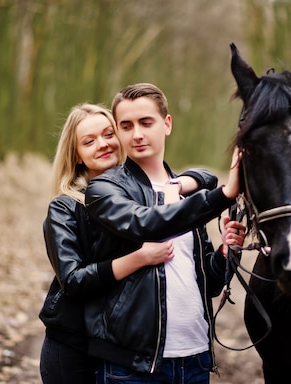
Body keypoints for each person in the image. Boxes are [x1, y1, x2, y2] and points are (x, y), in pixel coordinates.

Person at [38, 103, 225, 384]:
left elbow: (206, 178)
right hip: (74, 341)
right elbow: (73, 280)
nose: (103, 144)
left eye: (108, 134)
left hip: (120, 342)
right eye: (89, 141)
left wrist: (180, 184)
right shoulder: (65, 208)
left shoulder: (141, 195)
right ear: (76, 154)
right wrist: (141, 257)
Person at [84, 83, 245, 384]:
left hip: (195, 360)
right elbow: (148, 222)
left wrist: (225, 253)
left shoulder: (188, 194)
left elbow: (208, 283)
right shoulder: (105, 189)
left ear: (167, 124)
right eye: (126, 126)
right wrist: (223, 194)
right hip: (132, 367)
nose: (137, 134)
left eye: (146, 122)